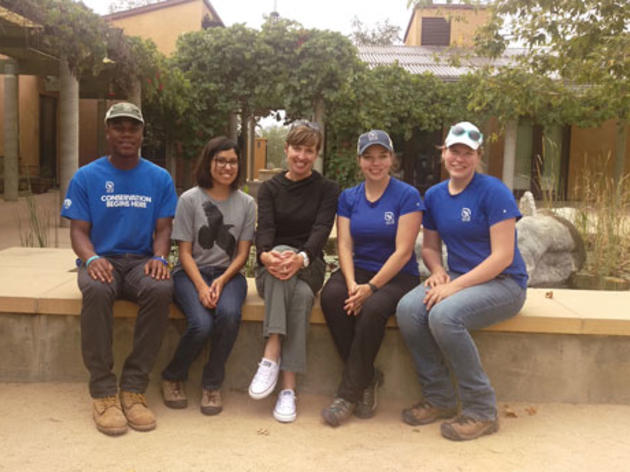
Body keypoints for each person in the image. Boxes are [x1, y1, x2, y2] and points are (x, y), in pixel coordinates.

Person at [396, 121, 528, 441]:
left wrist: (453, 287)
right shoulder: (437, 195)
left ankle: (482, 410)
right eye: (454, 151)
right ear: (444, 154)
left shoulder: (493, 191)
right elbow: (429, 247)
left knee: (445, 315)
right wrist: (438, 271)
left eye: (467, 153)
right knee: (408, 310)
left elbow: (502, 257)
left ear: (478, 155)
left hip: (504, 283)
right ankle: (440, 398)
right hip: (459, 277)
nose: (459, 158)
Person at [61, 102, 178, 436]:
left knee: (160, 288)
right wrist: (92, 259)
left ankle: (134, 388)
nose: (126, 134)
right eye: (119, 127)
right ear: (107, 132)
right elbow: (79, 232)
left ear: (142, 134)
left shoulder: (159, 178)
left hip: (142, 261)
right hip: (103, 260)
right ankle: (103, 392)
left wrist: (158, 258)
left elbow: (164, 229)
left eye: (133, 128)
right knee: (96, 291)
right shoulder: (87, 177)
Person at [319, 130, 423, 427]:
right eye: (368, 157)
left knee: (373, 308)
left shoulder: (407, 196)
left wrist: (371, 287)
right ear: (359, 161)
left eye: (382, 156)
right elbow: (345, 245)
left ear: (392, 159)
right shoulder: (349, 197)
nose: (375, 163)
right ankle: (367, 376)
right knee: (331, 297)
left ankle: (348, 394)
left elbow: (403, 252)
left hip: (396, 275)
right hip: (359, 271)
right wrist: (352, 284)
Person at [248, 121, 339, 423]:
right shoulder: (270, 189)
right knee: (299, 297)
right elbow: (267, 229)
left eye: (309, 150)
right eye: (297, 148)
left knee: (298, 279)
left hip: (309, 266)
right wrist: (265, 256)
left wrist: (300, 258)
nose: (302, 156)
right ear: (286, 149)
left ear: (316, 155)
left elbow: (321, 230)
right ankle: (288, 389)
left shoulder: (327, 190)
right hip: (272, 268)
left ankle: (271, 351)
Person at [161, 137, 255, 416]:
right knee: (201, 323)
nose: (227, 167)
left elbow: (242, 254)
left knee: (228, 315)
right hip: (190, 274)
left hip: (229, 276)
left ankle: (212, 383)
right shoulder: (189, 199)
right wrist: (202, 286)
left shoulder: (247, 203)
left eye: (233, 161)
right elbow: (185, 253)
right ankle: (173, 375)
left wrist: (221, 281)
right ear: (209, 163)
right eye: (221, 160)